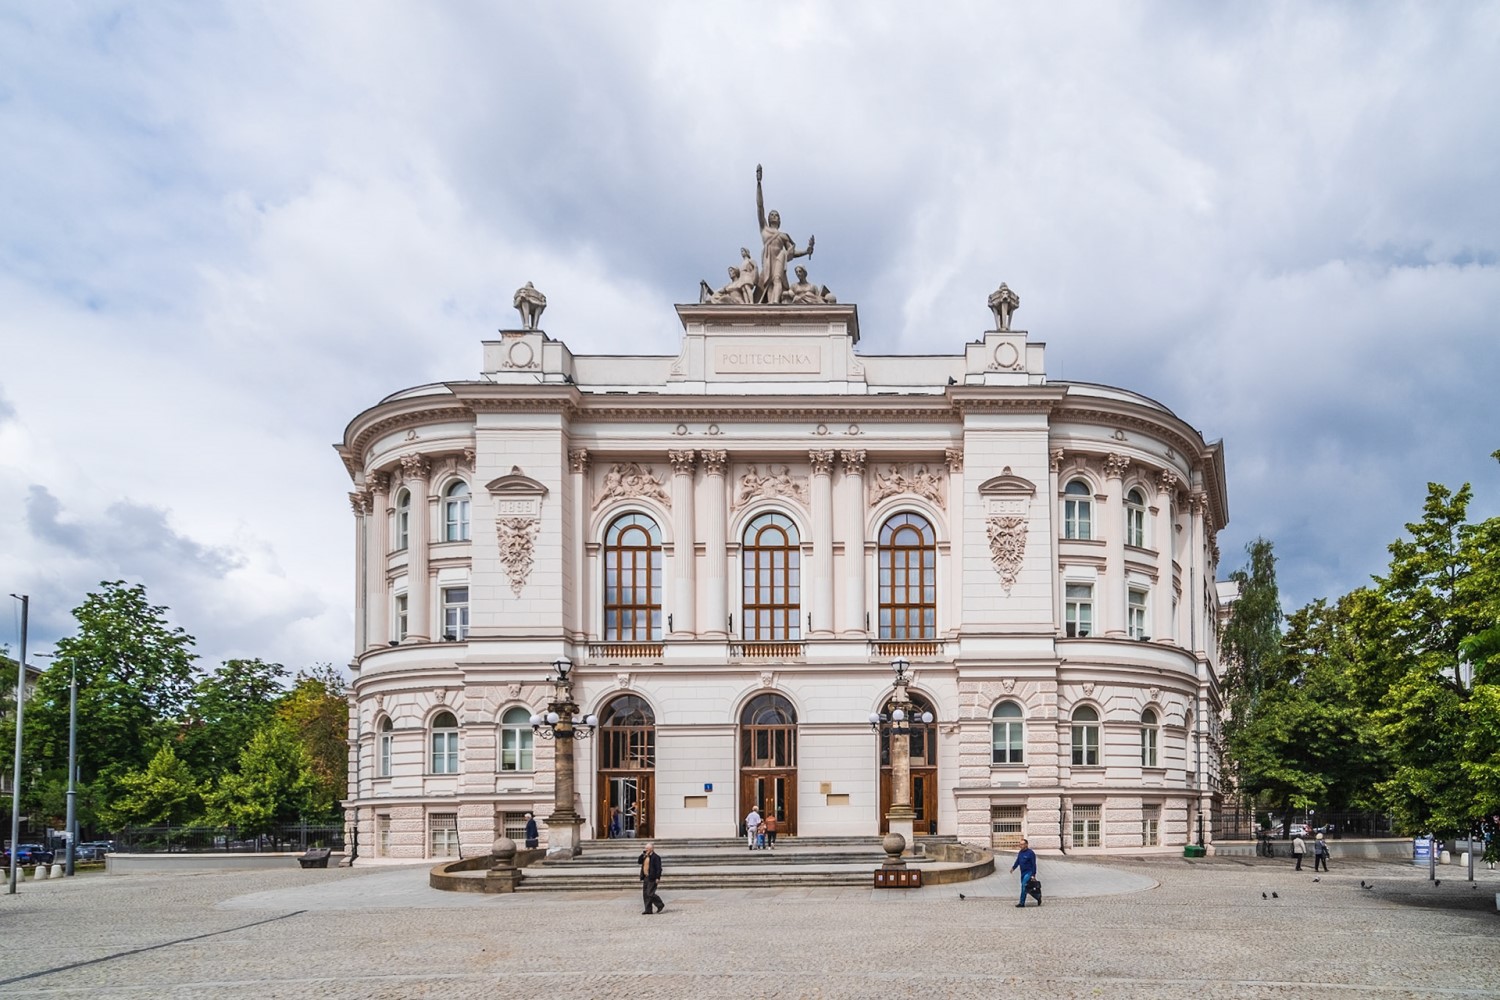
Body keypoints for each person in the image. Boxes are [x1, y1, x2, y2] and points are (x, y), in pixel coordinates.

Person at [755, 164, 814, 303]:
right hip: (768, 258)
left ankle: (775, 303)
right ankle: (771, 304)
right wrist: (759, 184)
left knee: (777, 278)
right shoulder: (764, 229)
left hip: (780, 256)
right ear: (768, 218)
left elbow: (792, 252)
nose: (773, 216)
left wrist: (806, 251)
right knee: (767, 282)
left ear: (779, 219)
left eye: (776, 215)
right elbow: (760, 206)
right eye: (771, 214)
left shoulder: (783, 236)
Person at [637, 842, 664, 915]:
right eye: (645, 848)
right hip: (645, 877)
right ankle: (648, 909)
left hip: (652, 877)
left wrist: (658, 877)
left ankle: (660, 904)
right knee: (645, 894)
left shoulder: (656, 857)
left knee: (650, 893)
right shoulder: (645, 856)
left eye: (647, 849)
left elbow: (659, 868)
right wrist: (643, 855)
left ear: (651, 849)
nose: (646, 850)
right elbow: (639, 862)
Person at [1010, 838, 1038, 907]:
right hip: (1023, 872)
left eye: (1022, 844)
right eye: (1020, 844)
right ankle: (1037, 896)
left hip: (1029, 872)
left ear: (1026, 845)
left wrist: (1033, 874)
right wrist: (1013, 867)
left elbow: (1033, 864)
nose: (1020, 846)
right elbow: (1018, 861)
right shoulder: (1020, 852)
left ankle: (1021, 903)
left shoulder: (1030, 853)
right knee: (1026, 888)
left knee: (1024, 885)